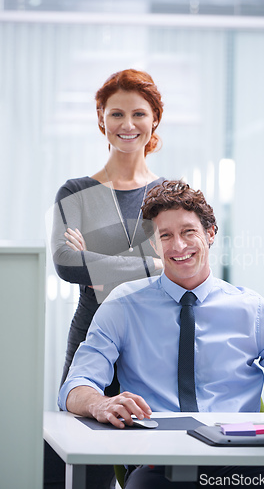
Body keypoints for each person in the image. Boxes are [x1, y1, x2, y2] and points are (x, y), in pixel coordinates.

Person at [58, 180, 264, 488]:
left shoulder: (252, 310)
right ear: (153, 244)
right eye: (165, 236)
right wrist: (100, 403)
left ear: (210, 233)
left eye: (188, 232)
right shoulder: (122, 306)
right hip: (159, 464)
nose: (178, 246)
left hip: (242, 462)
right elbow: (75, 386)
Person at [47, 69, 165, 488]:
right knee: (75, 463)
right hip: (90, 332)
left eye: (138, 114)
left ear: (154, 120)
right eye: (116, 114)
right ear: (102, 119)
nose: (127, 125)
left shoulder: (169, 194)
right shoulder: (76, 191)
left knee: (153, 464)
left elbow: (172, 265)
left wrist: (94, 262)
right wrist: (142, 261)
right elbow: (64, 262)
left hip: (153, 338)